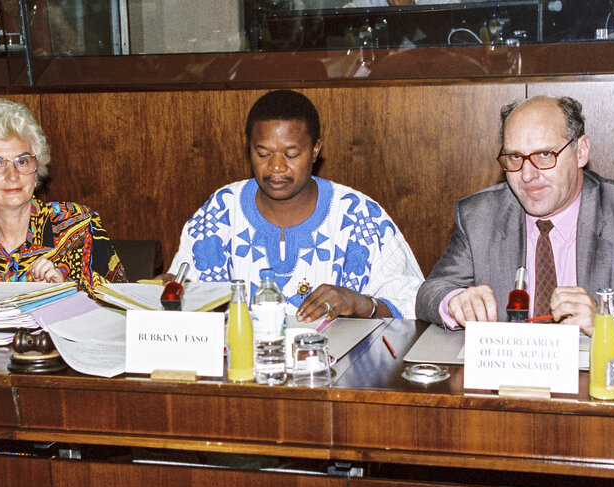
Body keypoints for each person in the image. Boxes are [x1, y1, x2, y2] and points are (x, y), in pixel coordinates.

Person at [166, 89, 424, 322]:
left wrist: (362, 304)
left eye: (291, 154)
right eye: (263, 154)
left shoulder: (358, 215)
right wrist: (161, 290)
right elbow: (179, 294)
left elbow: (416, 307)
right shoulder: (222, 210)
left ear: (315, 150)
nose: (276, 167)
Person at [416, 95, 614, 336]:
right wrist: (455, 301)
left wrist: (606, 322)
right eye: (515, 157)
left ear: (581, 152)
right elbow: (429, 293)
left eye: (544, 155)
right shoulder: (479, 216)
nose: (527, 175)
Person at [0, 98, 126, 299]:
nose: (12, 175)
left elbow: (119, 310)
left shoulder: (78, 225)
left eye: (22, 161)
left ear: (35, 171)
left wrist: (65, 293)